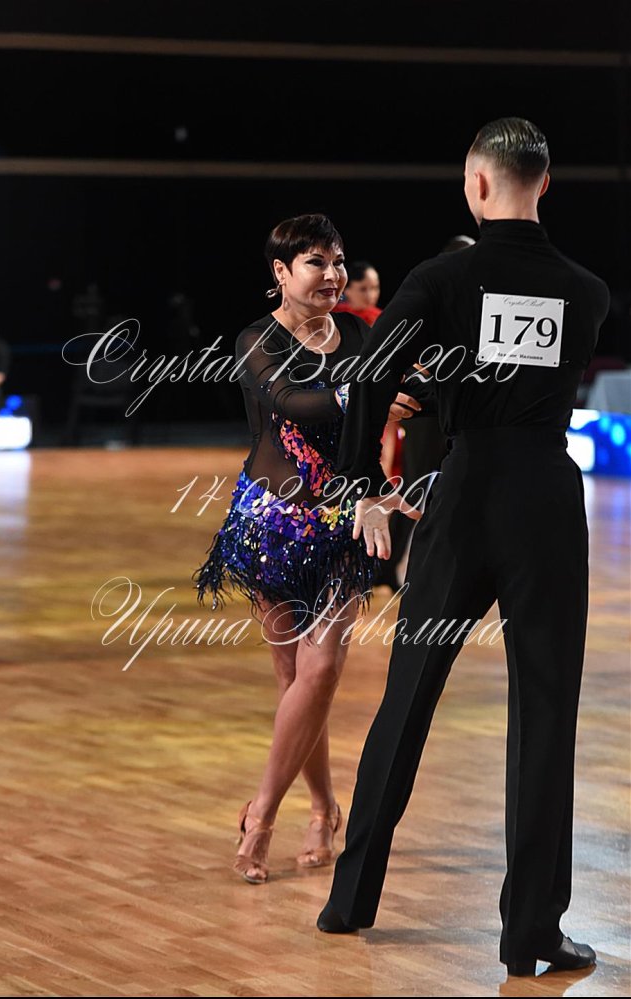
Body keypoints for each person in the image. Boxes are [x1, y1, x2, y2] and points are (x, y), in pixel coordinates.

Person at [315, 118, 610, 978]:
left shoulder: (442, 279)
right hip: (546, 502)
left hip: (465, 495)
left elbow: (368, 372)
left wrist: (359, 484)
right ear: (544, 185)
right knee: (546, 713)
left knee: (407, 695)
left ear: (478, 185)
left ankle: (349, 899)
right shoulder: (587, 292)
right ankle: (532, 935)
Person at [193, 214, 421, 885]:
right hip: (273, 523)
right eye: (316, 262)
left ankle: (261, 815)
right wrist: (372, 393)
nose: (332, 275)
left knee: (321, 671)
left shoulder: (362, 332)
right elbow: (296, 401)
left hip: (345, 519)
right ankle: (323, 808)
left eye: (338, 261)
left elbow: (416, 385)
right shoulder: (256, 340)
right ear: (281, 272)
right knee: (294, 679)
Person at [378, 234, 476, 593]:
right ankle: (387, 566)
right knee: (416, 487)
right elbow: (397, 353)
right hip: (427, 412)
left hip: (465, 415)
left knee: (458, 489)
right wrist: (423, 378)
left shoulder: (476, 306)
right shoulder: (426, 300)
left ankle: (442, 571)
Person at [333, 260, 382, 326]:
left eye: (375, 288)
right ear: (346, 289)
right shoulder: (333, 314)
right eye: (363, 289)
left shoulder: (381, 318)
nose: (370, 295)